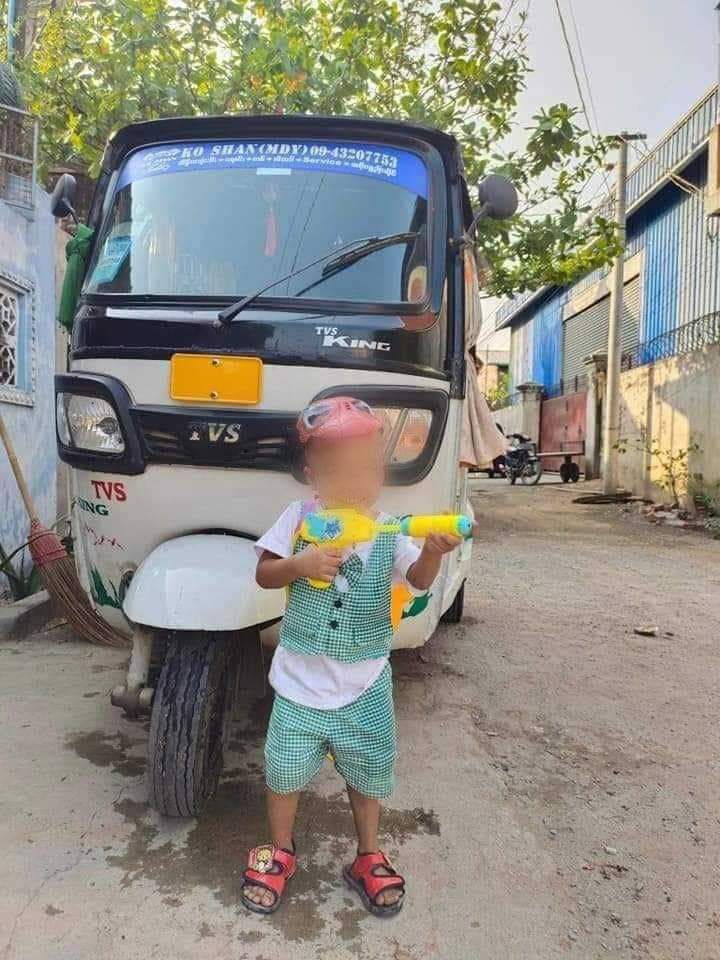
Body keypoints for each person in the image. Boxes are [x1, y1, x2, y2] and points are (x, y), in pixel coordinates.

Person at [241, 396, 462, 917]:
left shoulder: (390, 529)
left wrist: (432, 551)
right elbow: (265, 574)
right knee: (283, 772)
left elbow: (419, 580)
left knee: (368, 772)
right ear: (312, 472)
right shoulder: (299, 519)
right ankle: (280, 850)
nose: (354, 480)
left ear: (381, 471)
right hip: (299, 684)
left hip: (365, 686)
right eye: (338, 469)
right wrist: (301, 563)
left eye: (366, 468)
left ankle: (367, 854)